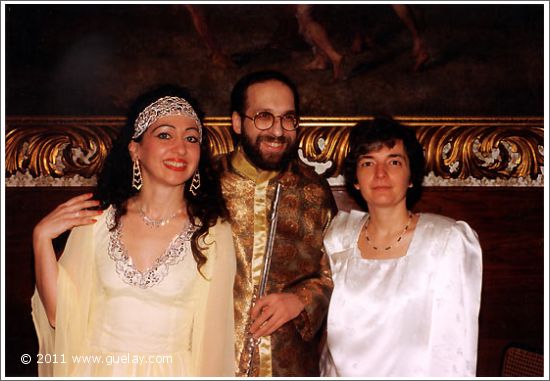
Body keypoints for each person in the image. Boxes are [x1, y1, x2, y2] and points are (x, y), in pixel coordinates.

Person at [31, 85, 236, 377]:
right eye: (165, 134)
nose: (180, 148)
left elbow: (215, 338)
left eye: (191, 138)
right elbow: (59, 316)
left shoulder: (213, 233)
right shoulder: (98, 222)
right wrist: (41, 239)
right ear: (135, 148)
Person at [321, 117, 482, 377]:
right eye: (368, 163)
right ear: (356, 180)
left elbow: (452, 348)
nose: (380, 173)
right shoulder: (338, 237)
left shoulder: (445, 241)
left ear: (411, 177)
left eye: (394, 161)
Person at [217, 70, 336, 376]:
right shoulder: (203, 183)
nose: (278, 131)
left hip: (289, 364)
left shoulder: (314, 191)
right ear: (237, 122)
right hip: (212, 359)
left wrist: (300, 300)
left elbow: (336, 272)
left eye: (288, 118)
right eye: (264, 117)